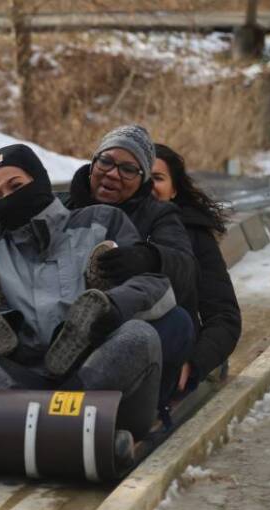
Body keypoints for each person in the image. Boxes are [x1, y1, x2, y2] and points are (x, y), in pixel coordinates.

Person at [0, 143, 176, 446]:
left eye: (16, 186)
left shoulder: (102, 222)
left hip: (93, 375)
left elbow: (156, 286)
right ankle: (54, 422)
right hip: (22, 377)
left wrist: (115, 305)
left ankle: (26, 421)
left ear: (40, 180)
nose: (9, 198)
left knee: (139, 335)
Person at [66, 125, 198, 419]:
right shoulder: (62, 208)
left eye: (128, 169)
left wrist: (148, 256)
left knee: (176, 322)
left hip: (124, 325)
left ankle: (126, 408)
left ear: (143, 180)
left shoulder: (159, 215)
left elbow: (185, 267)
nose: (113, 174)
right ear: (93, 163)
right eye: (106, 162)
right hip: (63, 320)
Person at [151, 143, 242, 392]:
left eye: (157, 178)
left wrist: (195, 363)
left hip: (174, 352)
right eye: (140, 177)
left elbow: (224, 315)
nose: (148, 186)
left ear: (174, 190)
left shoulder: (194, 235)